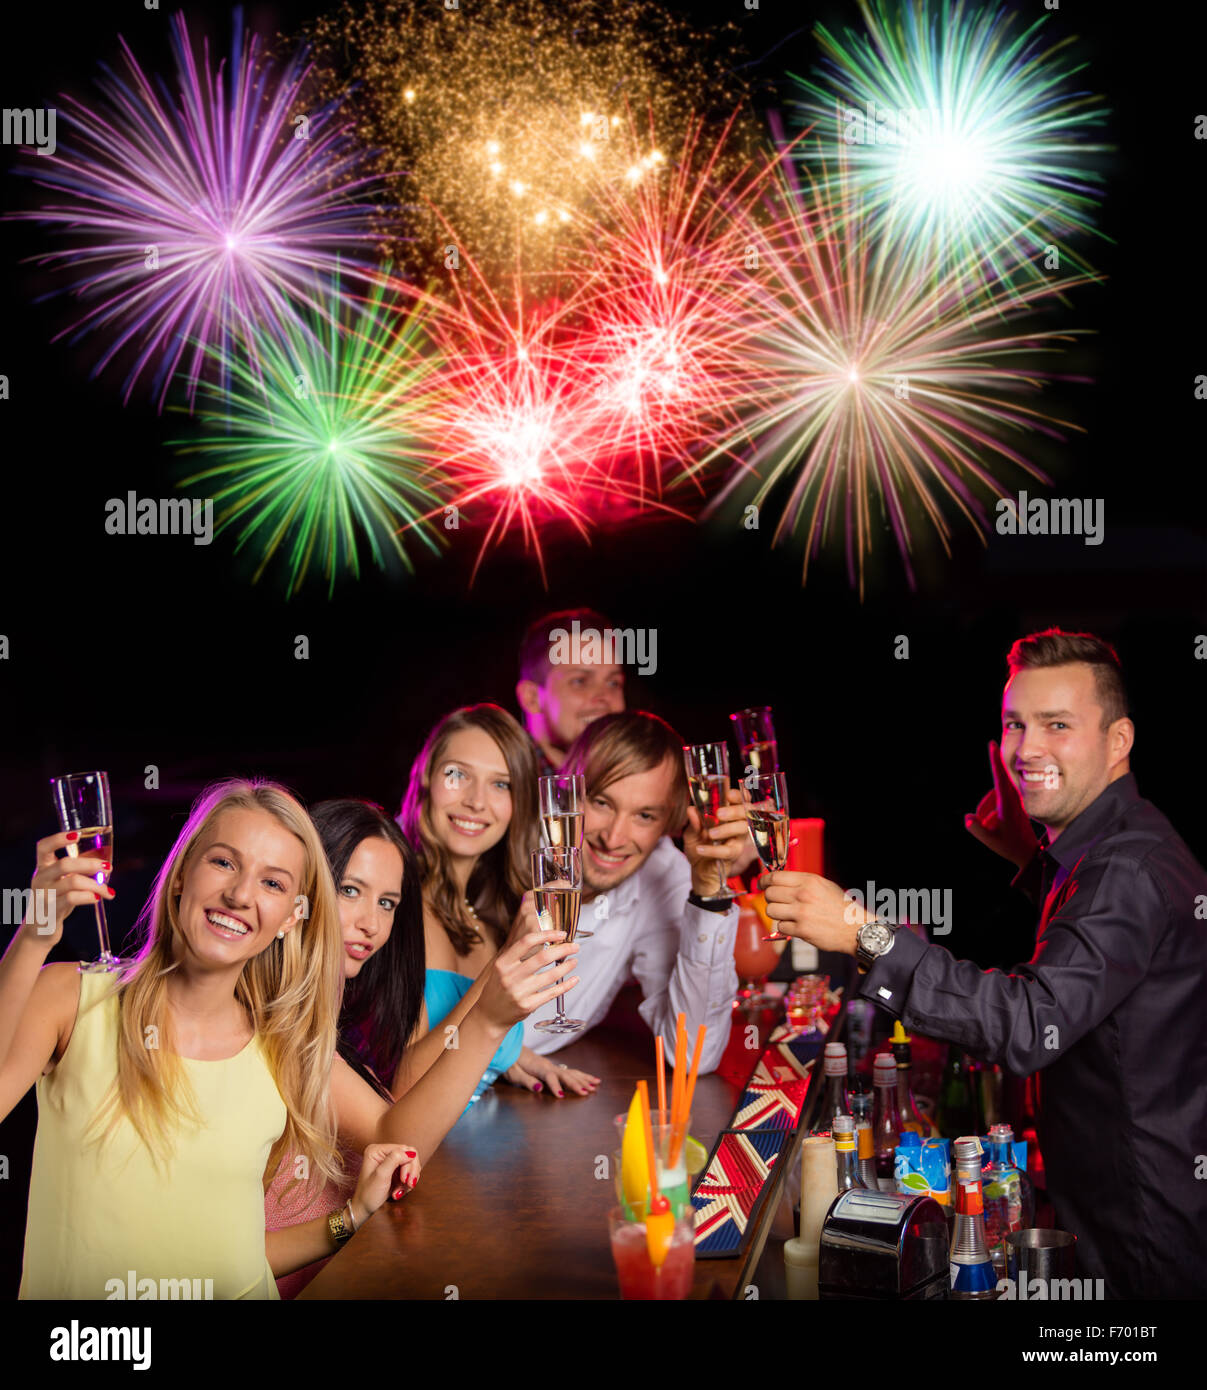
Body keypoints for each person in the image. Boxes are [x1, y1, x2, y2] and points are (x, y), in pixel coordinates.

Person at [1, 778, 578, 1299]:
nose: (241, 894)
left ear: (292, 916)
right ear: (180, 875)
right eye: (224, 863)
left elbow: (393, 1138)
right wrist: (35, 934)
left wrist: (490, 1021)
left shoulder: (282, 1043)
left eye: (272, 882)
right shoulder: (72, 998)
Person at [761, 629, 1207, 1299]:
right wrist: (1032, 863)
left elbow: (1032, 1022)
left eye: (1056, 726)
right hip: (1124, 1196)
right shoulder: (1112, 845)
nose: (1026, 750)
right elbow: (1102, 960)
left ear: (1118, 742)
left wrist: (863, 932)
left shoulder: (1125, 868)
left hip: (1142, 1225)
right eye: (1014, 725)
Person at [522, 710, 750, 1073]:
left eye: (644, 816)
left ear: (669, 822)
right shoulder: (513, 833)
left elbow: (694, 1055)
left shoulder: (663, 872)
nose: (613, 838)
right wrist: (501, 1053)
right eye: (601, 803)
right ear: (568, 790)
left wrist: (710, 895)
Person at [397, 704, 601, 1101]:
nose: (476, 801)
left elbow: (464, 1039)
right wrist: (505, 961)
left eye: (501, 784)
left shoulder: (486, 910)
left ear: (519, 802)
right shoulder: (393, 902)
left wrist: (511, 1056)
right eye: (457, 775)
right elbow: (401, 1088)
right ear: (426, 777)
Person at [265, 798, 425, 1299]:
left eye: (387, 904)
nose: (371, 925)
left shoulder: (326, 1020)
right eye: (350, 891)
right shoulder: (276, 1030)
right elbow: (397, 1132)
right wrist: (489, 1015)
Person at [515, 607, 626, 777]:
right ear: (531, 698)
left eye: (613, 683)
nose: (604, 697)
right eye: (580, 681)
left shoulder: (626, 778)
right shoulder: (505, 781)